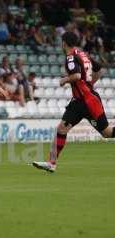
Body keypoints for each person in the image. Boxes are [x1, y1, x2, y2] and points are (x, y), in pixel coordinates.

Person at [33, 32, 115, 173]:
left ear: (64, 43)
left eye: (61, 41)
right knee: (61, 129)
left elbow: (76, 75)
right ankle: (51, 163)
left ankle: (51, 162)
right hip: (81, 101)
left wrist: (64, 80)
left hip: (87, 102)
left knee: (107, 133)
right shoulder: (83, 54)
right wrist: (90, 85)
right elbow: (99, 69)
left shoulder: (70, 56)